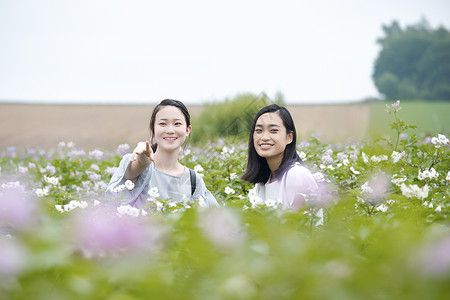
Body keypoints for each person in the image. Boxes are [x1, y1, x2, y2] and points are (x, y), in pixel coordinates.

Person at [106, 99, 218, 208]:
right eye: (163, 123)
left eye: (177, 123)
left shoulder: (194, 179)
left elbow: (214, 220)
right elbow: (135, 169)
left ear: (188, 130)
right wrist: (143, 157)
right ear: (153, 129)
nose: (170, 130)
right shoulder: (136, 163)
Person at [241, 104, 318, 212]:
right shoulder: (262, 183)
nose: (264, 137)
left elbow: (299, 225)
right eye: (259, 130)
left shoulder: (296, 175)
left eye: (273, 130)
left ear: (289, 137)